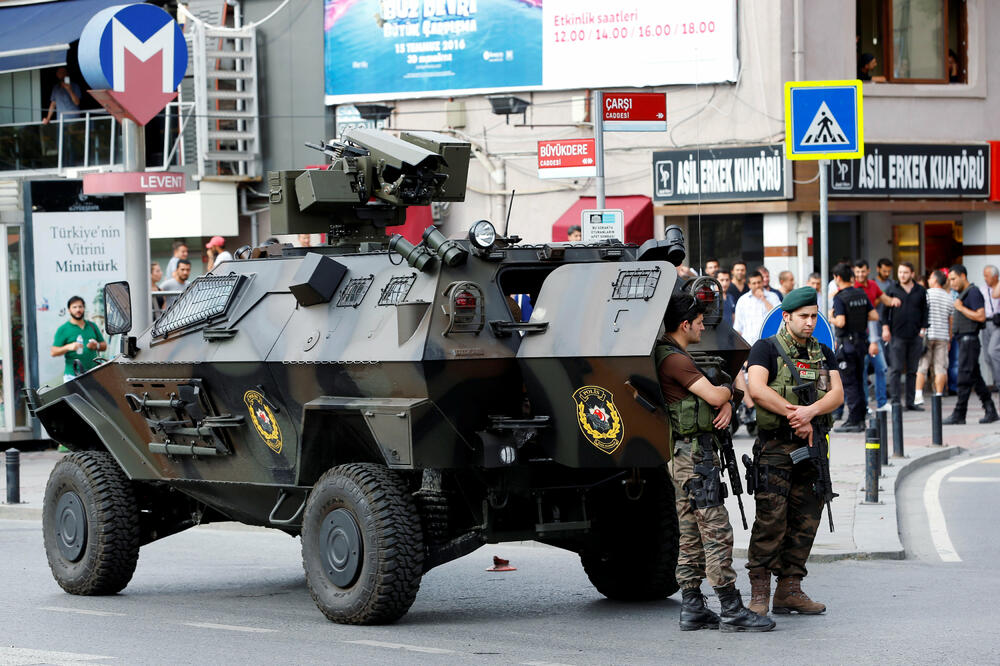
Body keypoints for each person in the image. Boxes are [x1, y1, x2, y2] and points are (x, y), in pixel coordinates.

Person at [655, 294, 774, 632]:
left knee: (690, 532)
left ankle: (692, 607)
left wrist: (725, 399)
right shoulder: (675, 360)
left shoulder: (670, 355)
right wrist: (727, 396)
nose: (704, 326)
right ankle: (732, 608)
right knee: (716, 530)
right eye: (699, 321)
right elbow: (715, 394)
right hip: (695, 458)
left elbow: (716, 396)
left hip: (685, 456)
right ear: (685, 324)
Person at [745, 287, 843, 616]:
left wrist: (810, 414)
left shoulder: (823, 352)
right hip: (776, 447)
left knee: (806, 518)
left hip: (812, 446)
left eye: (814, 316)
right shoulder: (766, 349)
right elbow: (757, 389)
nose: (810, 322)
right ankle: (760, 591)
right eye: (804, 316)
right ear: (786, 317)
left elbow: (837, 394)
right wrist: (794, 414)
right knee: (771, 518)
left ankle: (789, 589)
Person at [943, 265, 998, 424]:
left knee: (963, 378)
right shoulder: (963, 293)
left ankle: (959, 413)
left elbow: (981, 316)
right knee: (976, 378)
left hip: (969, 341)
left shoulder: (972, 292)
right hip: (964, 340)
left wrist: (961, 308)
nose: (951, 283)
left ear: (963, 276)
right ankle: (990, 410)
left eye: (953, 279)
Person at [832, 262, 879, 432]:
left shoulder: (839, 297)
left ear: (837, 278)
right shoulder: (861, 293)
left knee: (849, 383)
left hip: (847, 345)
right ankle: (859, 420)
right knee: (859, 381)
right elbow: (874, 315)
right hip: (861, 344)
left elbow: (841, 321)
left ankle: (853, 420)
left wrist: (832, 318)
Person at [854, 259, 899, 411]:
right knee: (863, 371)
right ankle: (864, 405)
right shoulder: (853, 288)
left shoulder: (873, 285)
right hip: (859, 335)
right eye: (857, 271)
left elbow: (884, 299)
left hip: (874, 332)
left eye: (863, 271)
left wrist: (893, 300)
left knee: (881, 368)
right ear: (854, 272)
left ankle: (881, 403)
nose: (860, 274)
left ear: (868, 271)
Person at [883, 262, 928, 410]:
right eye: (900, 272)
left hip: (915, 336)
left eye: (905, 272)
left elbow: (925, 311)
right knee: (895, 369)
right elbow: (884, 312)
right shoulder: (892, 289)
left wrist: (923, 329)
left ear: (912, 274)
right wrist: (885, 329)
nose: (902, 275)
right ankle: (896, 401)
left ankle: (910, 402)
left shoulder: (920, 291)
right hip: (897, 335)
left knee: (912, 370)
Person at [915, 270, 954, 405]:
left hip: (927, 334)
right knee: (940, 367)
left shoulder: (926, 294)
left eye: (930, 278)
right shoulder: (949, 297)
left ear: (935, 280)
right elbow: (951, 320)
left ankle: (918, 395)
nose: (928, 280)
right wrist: (949, 337)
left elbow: (919, 313)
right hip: (943, 336)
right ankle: (938, 394)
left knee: (922, 366)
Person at [51, 296, 107, 383]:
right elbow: (54, 352)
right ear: (69, 310)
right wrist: (68, 347)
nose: (78, 310)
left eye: (80, 307)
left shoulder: (92, 326)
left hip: (93, 373)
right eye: (74, 307)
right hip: (72, 376)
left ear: (84, 308)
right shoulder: (63, 329)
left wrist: (97, 345)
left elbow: (104, 346)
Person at [733, 272, 781, 347]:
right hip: (749, 344)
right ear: (749, 285)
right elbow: (738, 326)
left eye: (759, 282)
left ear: (762, 282)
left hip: (770, 343)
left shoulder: (773, 297)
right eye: (754, 283)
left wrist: (764, 299)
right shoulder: (742, 300)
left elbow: (777, 317)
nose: (757, 285)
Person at [981, 266, 1000, 390]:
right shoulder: (982, 289)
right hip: (985, 323)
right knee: (987, 357)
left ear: (995, 277)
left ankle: (999, 383)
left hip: (997, 323)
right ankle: (996, 380)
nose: (985, 278)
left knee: (992, 351)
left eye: (987, 276)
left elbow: (995, 295)